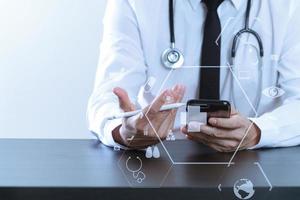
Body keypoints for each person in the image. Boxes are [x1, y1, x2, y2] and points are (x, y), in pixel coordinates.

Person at [87, 0, 300, 152]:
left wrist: (258, 131)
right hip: (160, 162)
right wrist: (123, 131)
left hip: (254, 166)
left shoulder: (288, 6)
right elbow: (108, 96)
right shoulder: (133, 3)